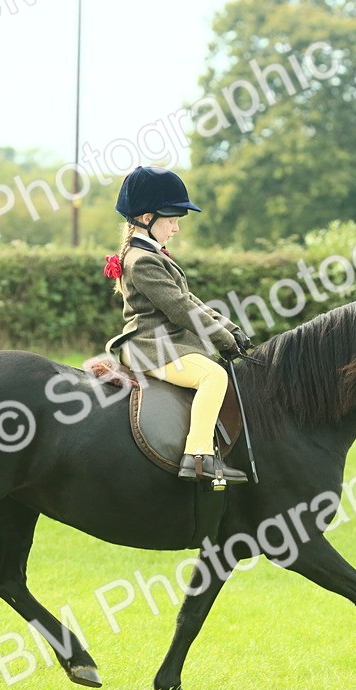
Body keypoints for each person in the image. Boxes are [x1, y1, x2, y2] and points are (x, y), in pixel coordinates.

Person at [103, 166, 253, 484]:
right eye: (171, 220)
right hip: (149, 345)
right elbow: (180, 309)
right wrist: (222, 339)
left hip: (165, 342)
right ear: (146, 218)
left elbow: (190, 299)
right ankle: (198, 457)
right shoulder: (142, 260)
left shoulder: (152, 253)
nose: (175, 229)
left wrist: (230, 328)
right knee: (214, 376)